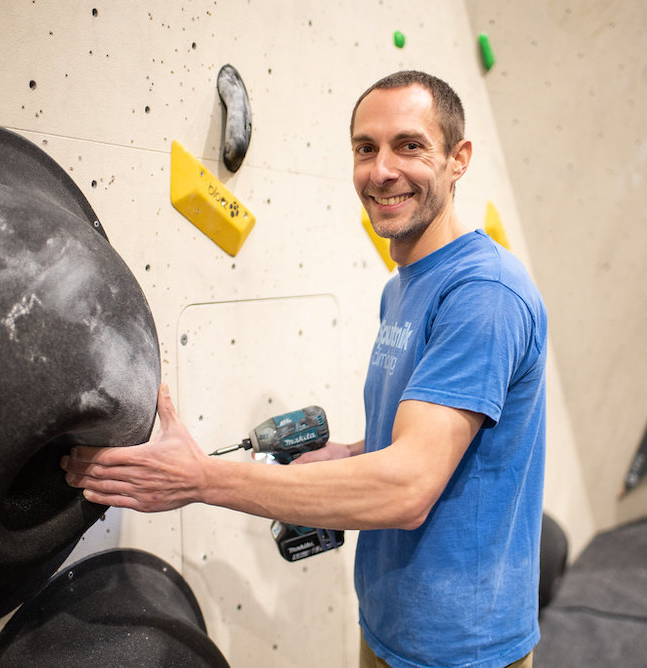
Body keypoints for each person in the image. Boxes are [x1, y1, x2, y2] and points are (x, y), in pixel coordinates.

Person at [62, 70, 547, 668]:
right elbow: (440, 436)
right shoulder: (405, 287)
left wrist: (200, 480)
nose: (382, 170)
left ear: (458, 158)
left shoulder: (484, 294)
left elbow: (409, 486)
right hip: (393, 621)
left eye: (410, 145)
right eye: (366, 148)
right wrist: (353, 453)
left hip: (462, 648)